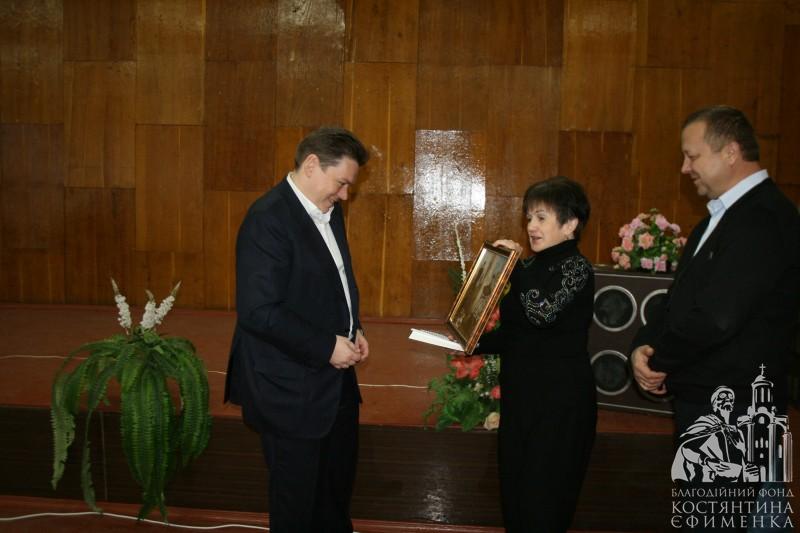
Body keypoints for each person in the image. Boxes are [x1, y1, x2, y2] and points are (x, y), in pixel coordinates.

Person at [631, 105, 800, 530]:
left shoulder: (763, 219)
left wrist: (660, 359)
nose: (685, 168)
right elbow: (678, 301)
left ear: (730, 152)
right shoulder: (724, 217)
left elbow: (717, 317)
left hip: (737, 410)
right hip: (712, 405)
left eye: (693, 156)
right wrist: (642, 347)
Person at [224, 127, 370, 533]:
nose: (345, 195)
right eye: (341, 183)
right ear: (311, 165)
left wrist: (354, 327)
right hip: (288, 390)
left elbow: (336, 279)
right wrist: (326, 346)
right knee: (296, 508)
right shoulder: (267, 219)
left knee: (334, 500)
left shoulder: (329, 210)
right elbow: (258, 311)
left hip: (335, 385)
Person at [475, 176, 597, 532]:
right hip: (522, 400)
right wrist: (469, 341)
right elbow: (516, 333)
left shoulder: (576, 268)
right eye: (529, 217)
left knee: (543, 504)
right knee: (515, 497)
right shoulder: (529, 268)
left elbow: (542, 312)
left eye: (541, 217)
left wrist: (514, 267)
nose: (531, 226)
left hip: (559, 404)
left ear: (570, 223)